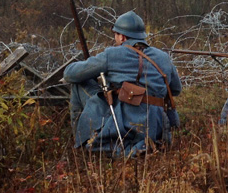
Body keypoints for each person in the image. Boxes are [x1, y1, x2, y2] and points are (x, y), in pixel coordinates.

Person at [64, 11, 182, 156]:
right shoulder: (163, 57)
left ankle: (82, 141)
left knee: (79, 84)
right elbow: (175, 90)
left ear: (122, 36)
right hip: (156, 124)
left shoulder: (113, 54)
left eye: (116, 35)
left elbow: (70, 74)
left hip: (126, 120)